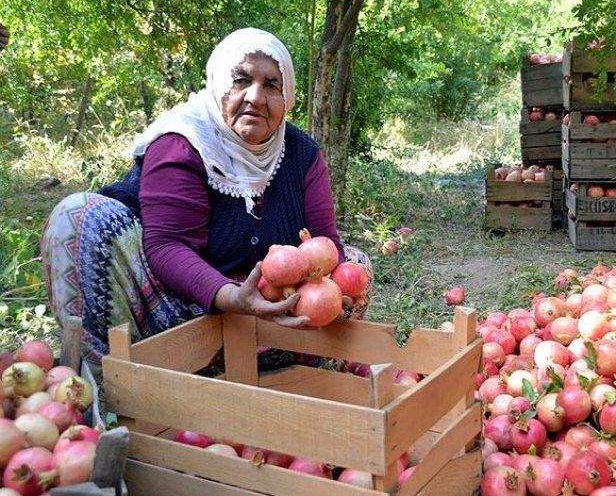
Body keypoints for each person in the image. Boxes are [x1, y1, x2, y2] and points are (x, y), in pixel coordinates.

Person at [40, 28, 372, 372]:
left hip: (274, 313)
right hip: (177, 313)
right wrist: (231, 297)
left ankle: (280, 373)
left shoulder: (302, 155)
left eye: (272, 85)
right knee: (80, 218)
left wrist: (331, 286)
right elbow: (168, 246)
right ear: (217, 84)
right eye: (241, 80)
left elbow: (325, 242)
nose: (256, 97)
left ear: (286, 97)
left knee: (358, 263)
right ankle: (115, 384)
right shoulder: (183, 143)